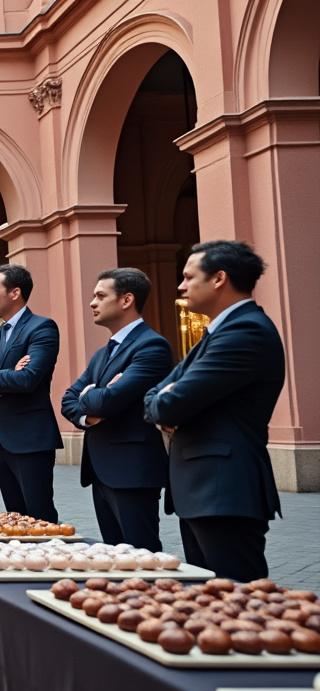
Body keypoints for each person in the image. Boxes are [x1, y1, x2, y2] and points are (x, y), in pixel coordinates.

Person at [145, 241, 284, 581]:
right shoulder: (217, 333)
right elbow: (156, 396)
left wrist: (167, 402)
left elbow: (168, 402)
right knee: (213, 603)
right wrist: (165, 399)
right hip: (205, 491)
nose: (180, 286)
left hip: (224, 492)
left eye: (189, 277)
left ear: (219, 278)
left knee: (239, 602)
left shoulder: (245, 331)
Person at [61, 268, 172, 551]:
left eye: (100, 296)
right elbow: (68, 401)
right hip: (101, 470)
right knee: (115, 557)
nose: (92, 303)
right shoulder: (103, 353)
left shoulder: (151, 346)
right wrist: (92, 402)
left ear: (126, 300)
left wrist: (91, 396)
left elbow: (110, 401)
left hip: (132, 470)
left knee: (141, 556)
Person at [0, 264, 62, 522]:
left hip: (32, 437)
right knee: (15, 517)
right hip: (0, 438)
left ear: (15, 293)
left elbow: (28, 379)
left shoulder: (42, 328)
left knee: (40, 516)